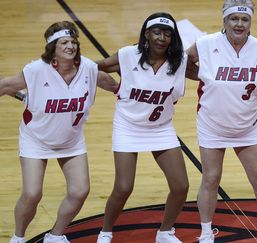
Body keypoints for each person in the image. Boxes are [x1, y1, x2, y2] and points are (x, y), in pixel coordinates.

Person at [0, 21, 118, 243]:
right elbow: (5, 86)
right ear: (52, 47)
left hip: (71, 141)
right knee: (32, 194)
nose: (70, 46)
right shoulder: (35, 70)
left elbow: (111, 84)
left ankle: (55, 236)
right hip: (36, 139)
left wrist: (129, 92)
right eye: (64, 42)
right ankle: (17, 237)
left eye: (73, 42)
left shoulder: (89, 69)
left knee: (80, 191)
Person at [186, 1, 257, 242]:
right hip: (212, 124)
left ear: (250, 23)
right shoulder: (205, 44)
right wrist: (201, 76)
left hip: (246, 126)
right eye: (234, 19)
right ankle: (205, 233)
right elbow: (184, 62)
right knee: (211, 178)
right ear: (224, 21)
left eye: (244, 20)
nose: (239, 24)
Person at [95, 12, 189, 243]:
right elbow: (96, 67)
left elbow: (209, 75)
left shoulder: (181, 61)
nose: (162, 38)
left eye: (167, 33)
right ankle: (105, 232)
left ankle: (165, 232)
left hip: (161, 128)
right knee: (124, 187)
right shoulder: (128, 55)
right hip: (128, 126)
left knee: (181, 186)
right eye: (157, 32)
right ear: (147, 34)